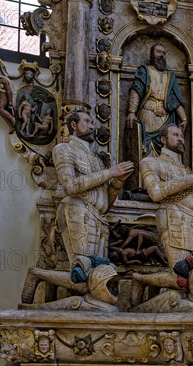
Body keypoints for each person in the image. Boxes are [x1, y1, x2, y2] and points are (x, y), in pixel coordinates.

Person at [130, 125, 193, 306]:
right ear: (163, 139)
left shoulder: (186, 170)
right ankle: (140, 280)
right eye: (175, 135)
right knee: (180, 276)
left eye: (182, 135)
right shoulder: (151, 162)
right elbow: (155, 193)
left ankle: (151, 289)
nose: (181, 139)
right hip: (174, 216)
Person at [53, 111, 134, 277]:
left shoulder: (96, 159)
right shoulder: (64, 148)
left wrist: (118, 181)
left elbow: (105, 204)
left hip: (99, 218)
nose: (92, 126)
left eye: (92, 122)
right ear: (73, 125)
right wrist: (110, 173)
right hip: (78, 211)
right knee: (82, 273)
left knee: (101, 276)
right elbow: (69, 186)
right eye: (87, 121)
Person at [126, 43, 188, 158]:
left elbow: (175, 100)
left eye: (164, 53)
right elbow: (137, 90)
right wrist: (131, 112)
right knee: (147, 147)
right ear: (152, 55)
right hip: (148, 115)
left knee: (169, 147)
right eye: (158, 52)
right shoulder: (144, 71)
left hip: (166, 118)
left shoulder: (170, 77)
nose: (162, 55)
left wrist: (184, 118)